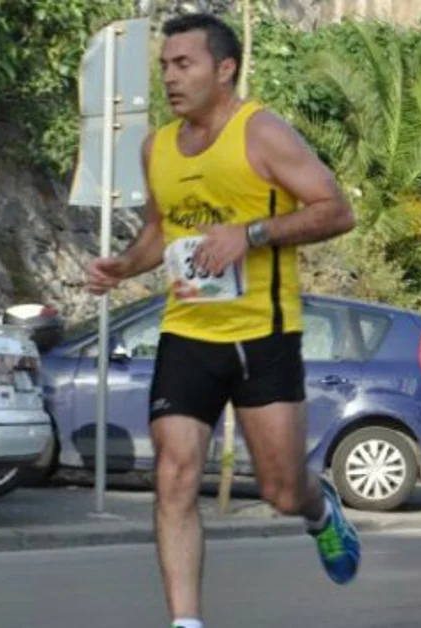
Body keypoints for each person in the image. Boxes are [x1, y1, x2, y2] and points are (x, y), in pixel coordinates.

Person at [84, 14, 360, 628]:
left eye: (184, 65)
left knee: (281, 490)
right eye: (164, 67)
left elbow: (336, 211)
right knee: (175, 473)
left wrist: (252, 234)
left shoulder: (261, 134)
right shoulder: (156, 145)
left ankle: (321, 510)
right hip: (188, 331)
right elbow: (161, 231)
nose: (170, 79)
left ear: (224, 68)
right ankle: (186, 621)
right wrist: (122, 265)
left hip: (263, 334)